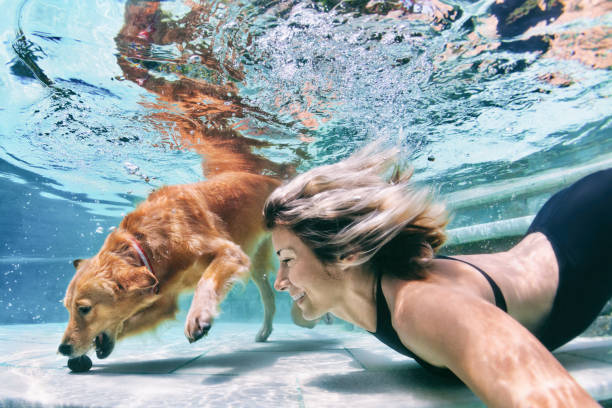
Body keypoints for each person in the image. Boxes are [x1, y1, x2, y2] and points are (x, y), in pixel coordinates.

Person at [263, 147, 611, 407]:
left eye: (288, 260)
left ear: (348, 254)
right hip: (566, 224)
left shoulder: (422, 307)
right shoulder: (357, 290)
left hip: (598, 225)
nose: (279, 281)